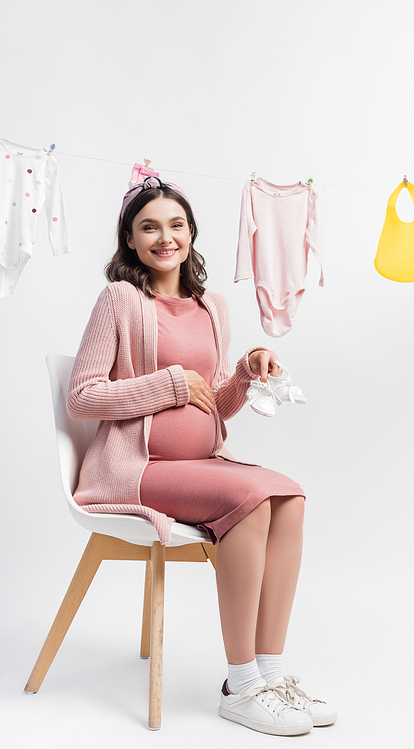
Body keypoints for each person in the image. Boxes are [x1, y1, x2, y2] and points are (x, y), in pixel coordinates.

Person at [67, 177, 336, 736]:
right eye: (149, 227)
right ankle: (240, 685)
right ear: (130, 238)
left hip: (201, 465)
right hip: (138, 471)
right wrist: (167, 386)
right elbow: (83, 395)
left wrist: (245, 372)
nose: (165, 237)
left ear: (191, 233)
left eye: (176, 225)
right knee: (252, 496)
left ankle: (271, 672)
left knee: (287, 493)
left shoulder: (212, 306)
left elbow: (214, 403)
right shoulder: (120, 298)